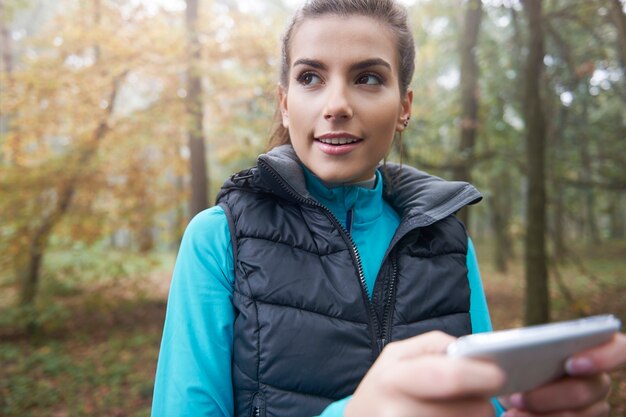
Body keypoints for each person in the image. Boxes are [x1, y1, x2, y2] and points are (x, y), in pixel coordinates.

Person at [151, 1, 626, 416]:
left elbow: (487, 404)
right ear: (284, 103)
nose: (336, 104)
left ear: (404, 107)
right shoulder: (218, 237)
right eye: (311, 77)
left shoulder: (448, 240)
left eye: (368, 78)